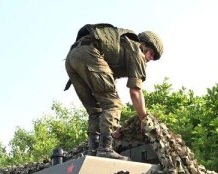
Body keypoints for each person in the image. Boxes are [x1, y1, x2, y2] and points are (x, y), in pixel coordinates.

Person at [64, 24, 163, 158]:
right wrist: (143, 118)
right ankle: (105, 148)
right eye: (151, 53)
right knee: (114, 104)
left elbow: (108, 87)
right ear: (144, 44)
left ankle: (93, 149)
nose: (150, 58)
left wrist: (112, 129)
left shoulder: (122, 46)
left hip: (73, 57)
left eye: (153, 57)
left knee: (96, 109)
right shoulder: (137, 51)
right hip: (89, 54)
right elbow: (135, 92)